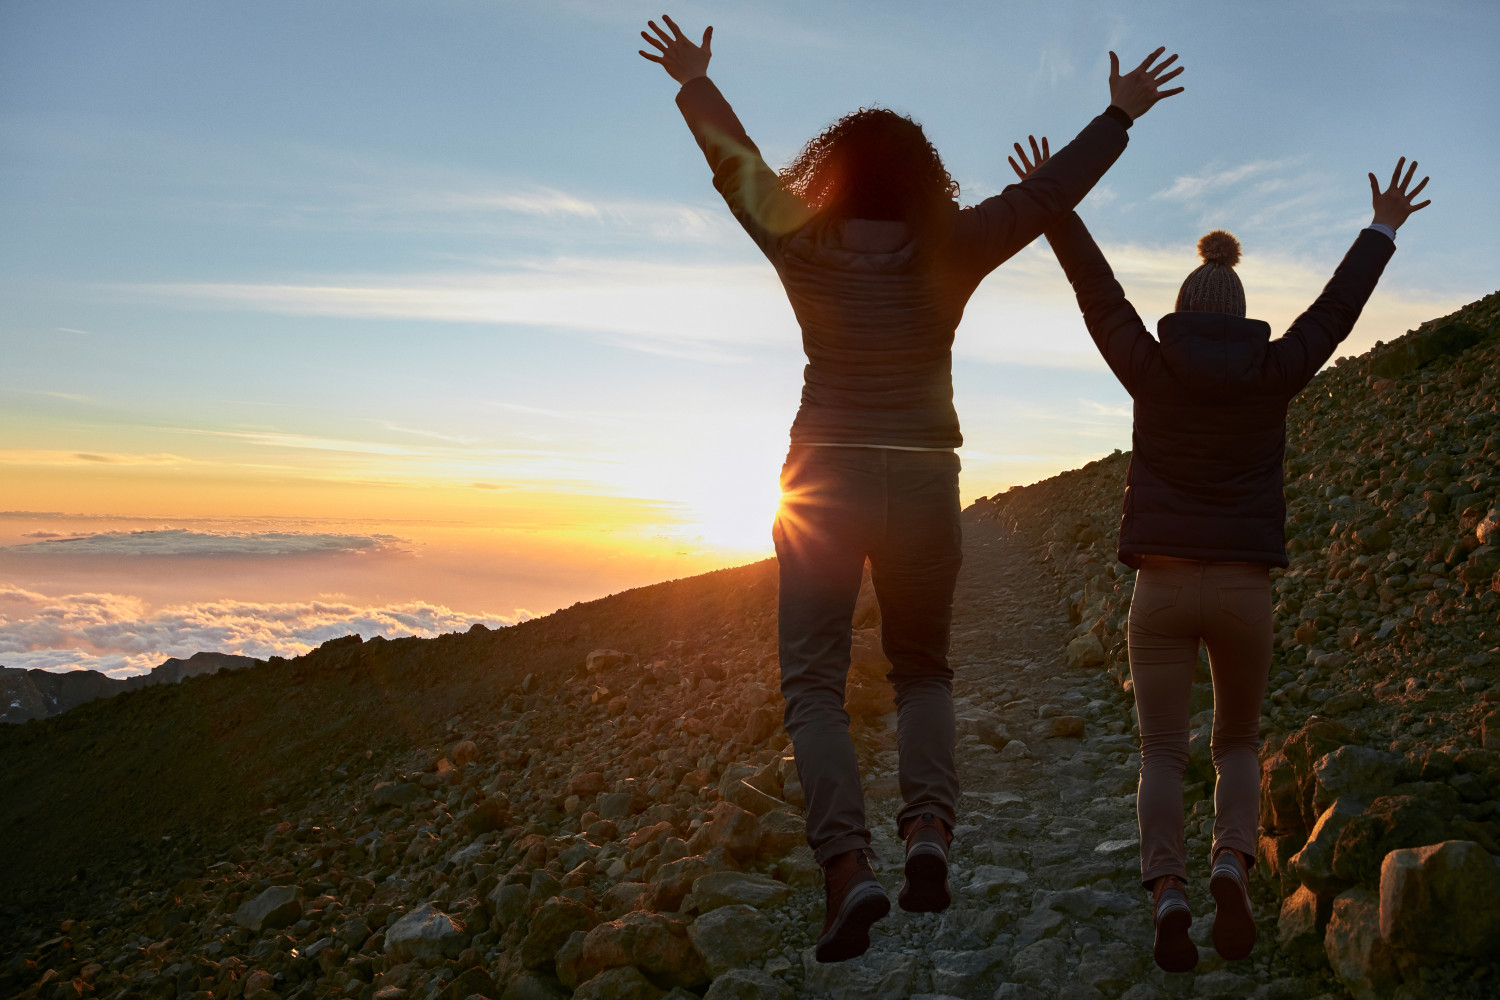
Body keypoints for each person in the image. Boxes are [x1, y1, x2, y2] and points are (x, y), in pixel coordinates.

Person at [639, 15, 1184, 962]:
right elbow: (1050, 192)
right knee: (922, 669)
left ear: (831, 174)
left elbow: (736, 163)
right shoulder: (954, 245)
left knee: (813, 682)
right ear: (925, 177)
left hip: (822, 477)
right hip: (928, 478)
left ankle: (846, 870)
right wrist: (1118, 114)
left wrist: (692, 81)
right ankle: (928, 832)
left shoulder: (798, 239)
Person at [1011, 142, 1431, 971]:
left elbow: (1098, 296)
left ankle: (1167, 890)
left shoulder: (1151, 368)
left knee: (1161, 751)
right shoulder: (1272, 371)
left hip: (1160, 587)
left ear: (1183, 305)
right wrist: (1380, 229)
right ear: (1239, 313)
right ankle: (1230, 866)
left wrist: (1054, 207)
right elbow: (1334, 314)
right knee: (1236, 740)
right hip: (1244, 590)